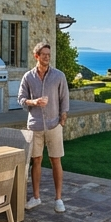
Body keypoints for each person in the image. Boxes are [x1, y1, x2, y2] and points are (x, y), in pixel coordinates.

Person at [18, 41, 70, 212]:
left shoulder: (59, 76)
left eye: (49, 54)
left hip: (54, 125)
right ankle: (36, 197)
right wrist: (34, 102)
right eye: (44, 55)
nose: (47, 57)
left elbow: (64, 99)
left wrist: (62, 119)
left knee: (56, 160)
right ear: (37, 56)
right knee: (36, 160)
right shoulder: (28, 77)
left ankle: (58, 199)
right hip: (35, 126)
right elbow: (21, 99)